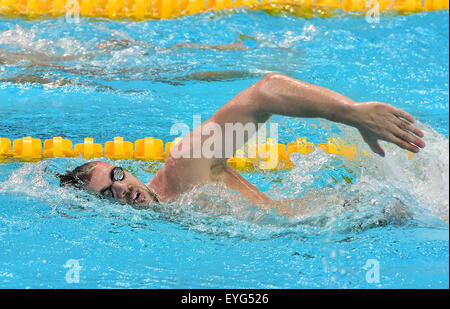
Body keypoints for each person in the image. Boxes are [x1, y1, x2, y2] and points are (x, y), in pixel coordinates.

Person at [59, 73, 425, 215]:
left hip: (375, 212)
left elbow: (264, 92)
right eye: (108, 193)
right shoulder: (166, 215)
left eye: (117, 175)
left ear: (127, 168)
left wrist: (352, 113)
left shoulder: (184, 166)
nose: (121, 189)